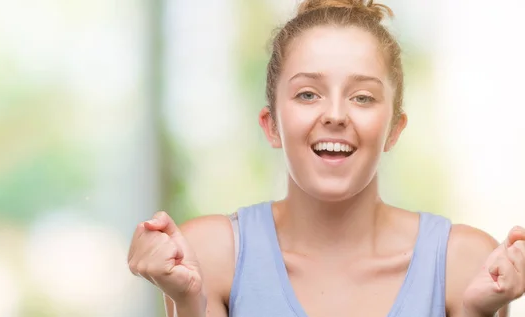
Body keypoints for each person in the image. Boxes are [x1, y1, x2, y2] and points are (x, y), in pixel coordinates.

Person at [127, 0, 525, 316]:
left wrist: (477, 313)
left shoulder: (465, 261)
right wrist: (188, 303)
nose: (335, 114)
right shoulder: (210, 254)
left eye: (363, 97)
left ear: (394, 129)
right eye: (307, 94)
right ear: (272, 126)